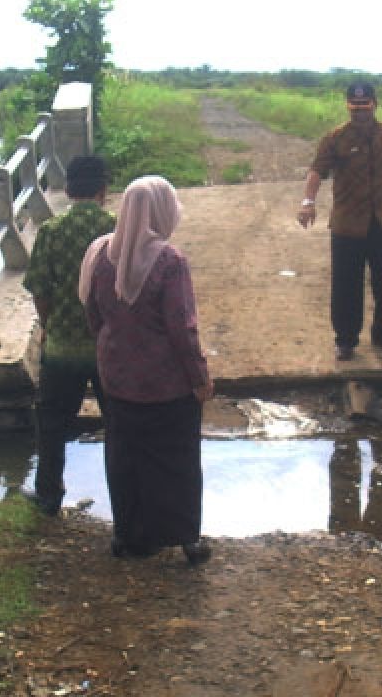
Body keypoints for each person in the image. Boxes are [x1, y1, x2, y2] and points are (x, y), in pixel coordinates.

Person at [78, 176, 214, 565]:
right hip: (166, 385)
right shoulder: (169, 261)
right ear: (160, 210)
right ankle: (185, 536)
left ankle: (128, 536)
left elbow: (93, 315)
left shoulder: (99, 254)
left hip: (117, 380)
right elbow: (182, 328)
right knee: (177, 460)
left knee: (125, 457)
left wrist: (114, 350)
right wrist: (200, 378)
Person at [20, 155, 116, 515]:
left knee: (52, 423)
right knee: (119, 424)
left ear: (69, 189)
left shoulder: (51, 232)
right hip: (108, 348)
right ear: (103, 189)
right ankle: (124, 495)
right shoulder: (118, 231)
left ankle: (49, 494)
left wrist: (51, 324)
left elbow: (39, 290)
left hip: (62, 348)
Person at [297, 81, 382, 362]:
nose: (360, 113)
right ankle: (346, 340)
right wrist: (308, 203)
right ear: (349, 107)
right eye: (355, 108)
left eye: (365, 107)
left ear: (374, 105)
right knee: (346, 284)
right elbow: (316, 172)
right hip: (348, 224)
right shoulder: (335, 138)